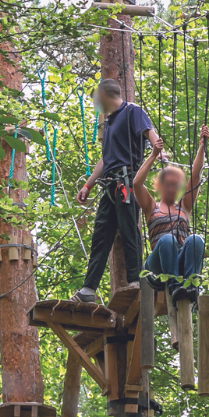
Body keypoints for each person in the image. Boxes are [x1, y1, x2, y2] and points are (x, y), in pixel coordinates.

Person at [73, 79, 163, 303]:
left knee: (129, 231)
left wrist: (159, 152)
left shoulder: (132, 111)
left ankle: (135, 280)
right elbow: (105, 158)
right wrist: (88, 184)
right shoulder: (110, 122)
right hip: (110, 185)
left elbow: (149, 133)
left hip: (127, 181)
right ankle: (88, 289)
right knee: (101, 236)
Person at [133, 124, 209, 301]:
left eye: (176, 184)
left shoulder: (185, 206)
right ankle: (175, 287)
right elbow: (137, 184)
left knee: (196, 239)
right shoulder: (152, 207)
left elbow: (195, 174)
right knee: (168, 239)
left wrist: (202, 146)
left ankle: (191, 287)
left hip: (181, 261)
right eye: (168, 184)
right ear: (159, 186)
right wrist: (153, 155)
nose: (172, 188)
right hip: (158, 266)